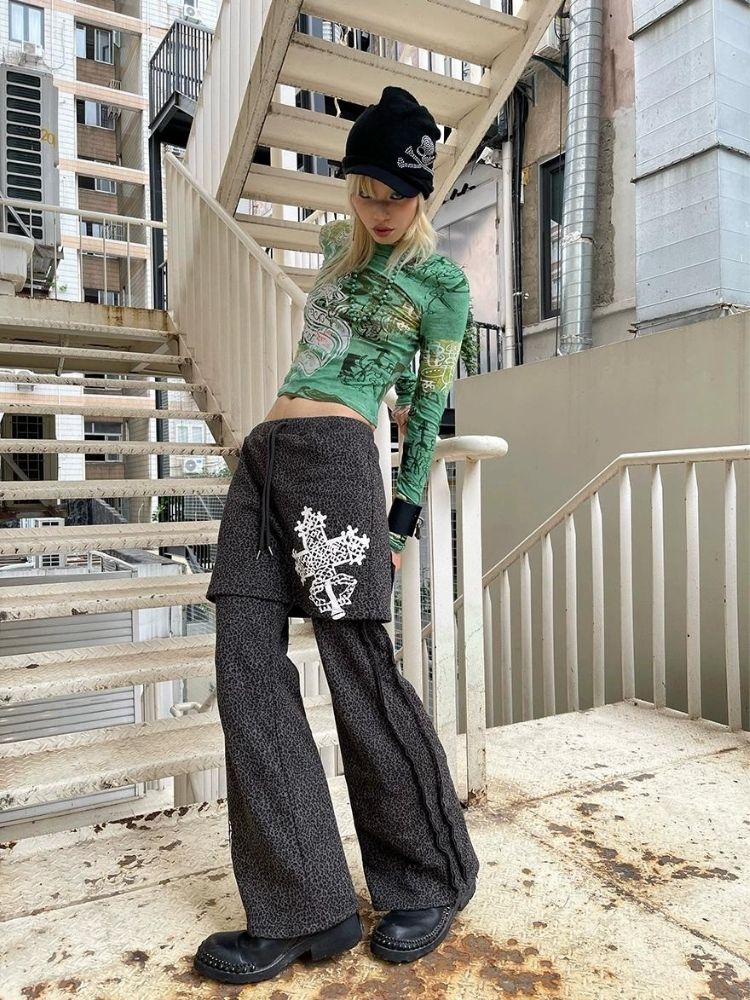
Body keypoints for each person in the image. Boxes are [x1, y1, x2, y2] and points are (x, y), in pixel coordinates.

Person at [193, 85, 480, 986]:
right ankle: (303, 906)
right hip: (265, 457)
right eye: (365, 192)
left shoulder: (441, 285)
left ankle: (430, 876)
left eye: (396, 196)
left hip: (337, 461)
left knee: (357, 665)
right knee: (243, 661)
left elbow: (426, 407)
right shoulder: (330, 247)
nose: (379, 211)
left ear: (422, 194)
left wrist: (402, 518)